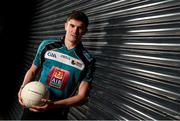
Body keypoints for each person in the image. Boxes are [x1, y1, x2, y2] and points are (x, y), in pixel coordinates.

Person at [18, 10, 95, 120]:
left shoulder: (87, 60)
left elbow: (82, 97)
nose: (75, 31)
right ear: (65, 26)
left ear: (85, 31)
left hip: (58, 113)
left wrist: (53, 105)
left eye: (80, 28)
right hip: (35, 104)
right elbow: (32, 71)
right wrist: (22, 89)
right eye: (72, 25)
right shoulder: (47, 45)